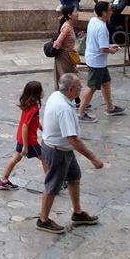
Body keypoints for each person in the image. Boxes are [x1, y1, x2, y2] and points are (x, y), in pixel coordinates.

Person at [37, 72, 103, 234]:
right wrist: (93, 158)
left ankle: (77, 213)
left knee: (74, 178)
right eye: (80, 86)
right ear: (72, 89)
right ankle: (43, 220)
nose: (81, 88)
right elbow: (72, 139)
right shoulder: (64, 108)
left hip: (62, 148)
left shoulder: (57, 96)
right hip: (57, 151)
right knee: (52, 186)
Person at [77, 2, 126, 122]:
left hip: (95, 58)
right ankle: (80, 113)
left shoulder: (93, 20)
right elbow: (103, 48)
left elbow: (99, 42)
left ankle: (110, 107)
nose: (111, 12)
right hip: (97, 61)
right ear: (104, 13)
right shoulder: (102, 28)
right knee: (92, 87)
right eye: (110, 10)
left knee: (106, 82)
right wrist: (112, 50)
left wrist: (109, 45)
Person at [0, 80, 46, 189]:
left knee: (16, 158)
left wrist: (43, 129)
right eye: (41, 90)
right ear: (37, 93)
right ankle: (51, 182)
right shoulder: (33, 108)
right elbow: (26, 126)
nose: (43, 92)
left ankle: (4, 179)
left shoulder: (28, 106)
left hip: (21, 137)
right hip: (29, 141)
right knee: (45, 159)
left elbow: (34, 121)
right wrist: (25, 146)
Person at [52, 4, 81, 90]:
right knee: (68, 79)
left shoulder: (70, 25)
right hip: (64, 55)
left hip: (68, 54)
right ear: (69, 15)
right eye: (75, 11)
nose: (77, 13)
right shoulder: (67, 28)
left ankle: (76, 100)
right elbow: (57, 43)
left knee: (68, 78)